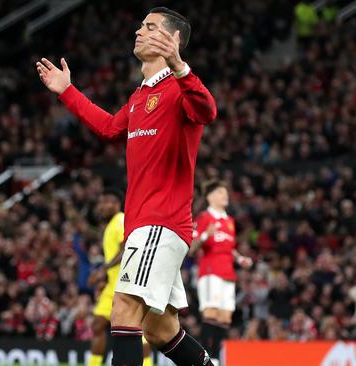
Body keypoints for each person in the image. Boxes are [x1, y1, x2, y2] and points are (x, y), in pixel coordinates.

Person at [36, 6, 217, 366]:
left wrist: (180, 66)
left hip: (160, 222)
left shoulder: (180, 88)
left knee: (123, 311)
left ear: (173, 38)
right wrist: (67, 91)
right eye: (141, 25)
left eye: (150, 26)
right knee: (160, 330)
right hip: (144, 224)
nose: (139, 31)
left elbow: (207, 110)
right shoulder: (139, 97)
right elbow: (108, 128)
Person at [87, 189, 152, 366]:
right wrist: (105, 279)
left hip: (127, 285)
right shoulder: (110, 225)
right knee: (98, 325)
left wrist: (102, 270)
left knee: (138, 331)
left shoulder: (121, 220)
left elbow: (127, 248)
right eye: (100, 202)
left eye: (106, 201)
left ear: (116, 204)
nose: (101, 206)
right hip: (113, 286)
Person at [190, 180, 252, 365]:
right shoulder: (204, 218)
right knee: (211, 313)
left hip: (228, 272)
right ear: (209, 197)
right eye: (220, 192)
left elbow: (229, 247)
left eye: (225, 193)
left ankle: (215, 358)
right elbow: (192, 249)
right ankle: (205, 358)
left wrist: (239, 258)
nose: (224, 196)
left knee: (225, 317)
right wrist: (205, 235)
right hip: (210, 271)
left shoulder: (229, 221)